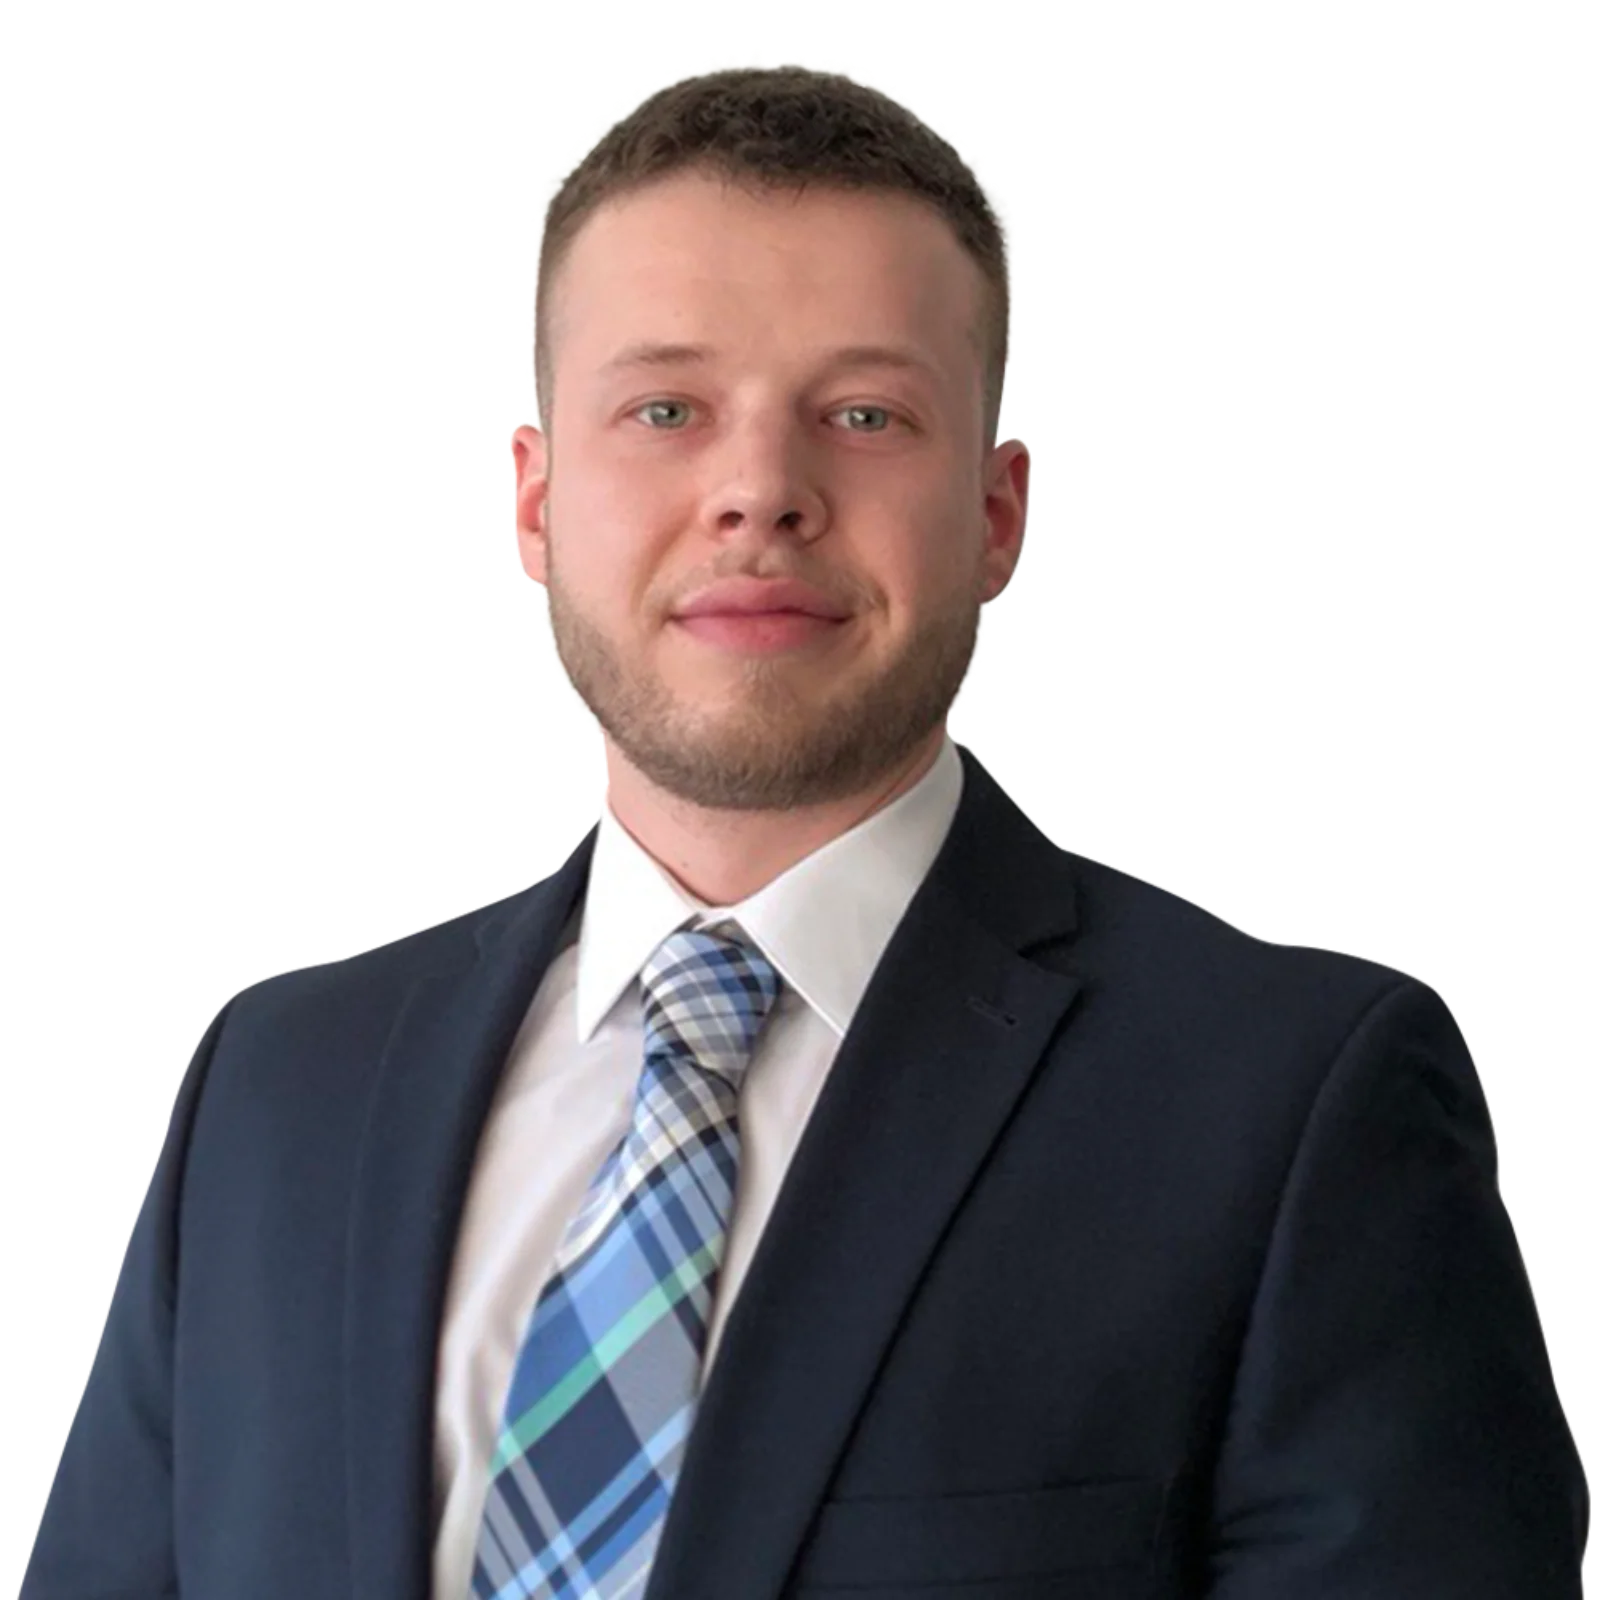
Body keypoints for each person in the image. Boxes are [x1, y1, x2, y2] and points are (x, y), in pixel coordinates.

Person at [22, 62, 1588, 1600]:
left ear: (997, 515)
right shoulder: (278, 1085)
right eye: (665, 407)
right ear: (535, 503)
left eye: (862, 412)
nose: (759, 490)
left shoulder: (1295, 1103)